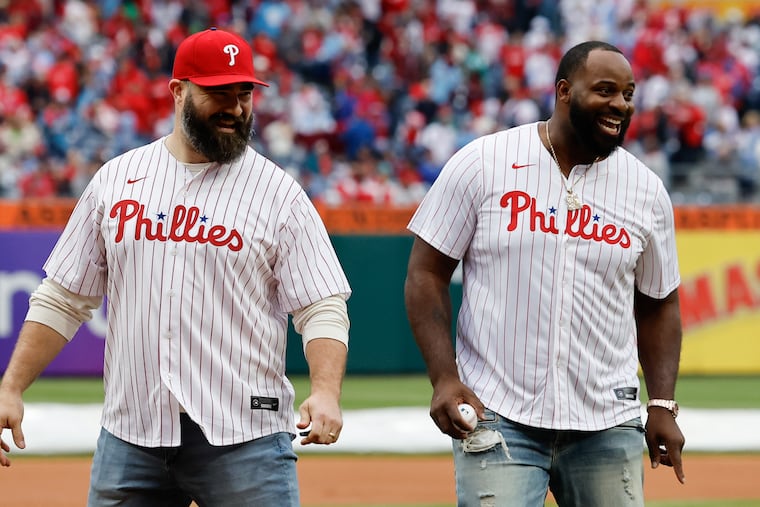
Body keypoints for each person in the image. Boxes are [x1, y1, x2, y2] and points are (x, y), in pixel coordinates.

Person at [0, 27, 352, 507]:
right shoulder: (117, 181)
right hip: (131, 436)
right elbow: (64, 297)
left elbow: (322, 306)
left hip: (245, 437)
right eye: (218, 92)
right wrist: (12, 387)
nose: (235, 106)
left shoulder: (279, 194)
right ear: (178, 90)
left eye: (244, 92)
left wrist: (326, 392)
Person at [404, 40, 685, 507]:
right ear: (564, 91)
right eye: (605, 90)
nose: (620, 105)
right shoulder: (483, 163)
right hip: (497, 412)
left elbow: (660, 303)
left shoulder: (646, 191)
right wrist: (444, 377)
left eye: (629, 94)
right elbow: (425, 273)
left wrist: (661, 403)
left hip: (607, 419)